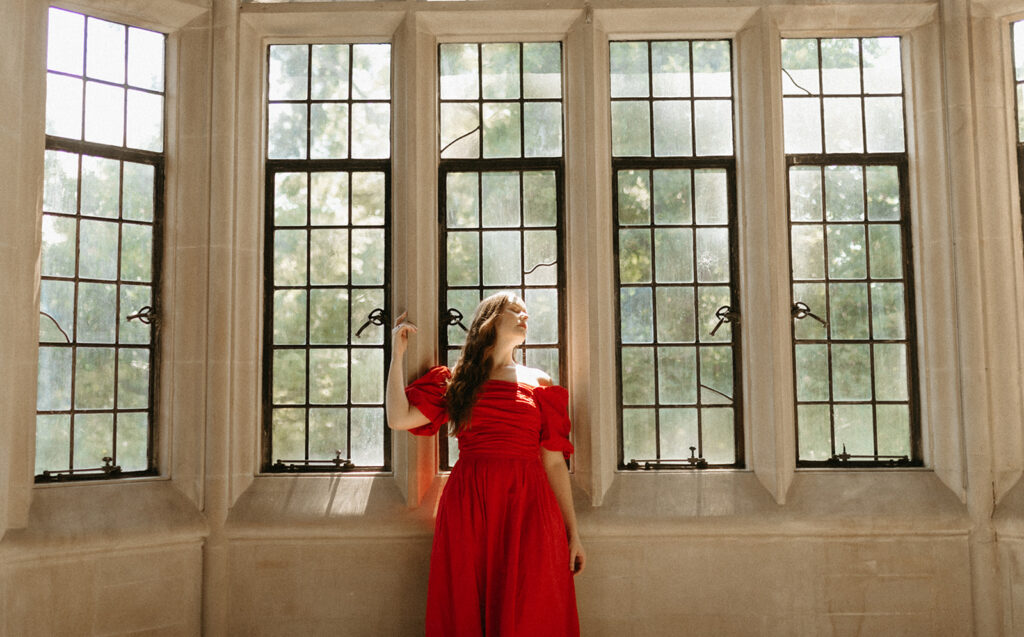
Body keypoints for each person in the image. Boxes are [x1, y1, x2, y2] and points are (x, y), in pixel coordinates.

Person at [386, 291, 584, 636]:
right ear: (491, 319)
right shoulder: (456, 378)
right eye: (515, 310)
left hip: (529, 501)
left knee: (531, 603)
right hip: (470, 500)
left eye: (527, 313)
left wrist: (573, 533)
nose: (525, 317)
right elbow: (399, 418)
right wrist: (397, 354)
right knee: (468, 599)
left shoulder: (539, 382)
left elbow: (553, 463)